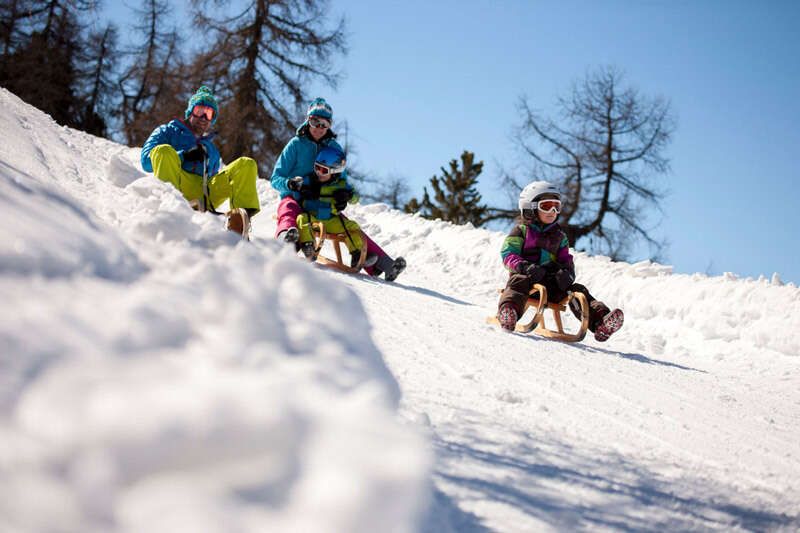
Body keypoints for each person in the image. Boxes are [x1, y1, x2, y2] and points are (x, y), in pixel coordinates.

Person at [270, 97, 406, 281]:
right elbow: (275, 178)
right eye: (314, 121)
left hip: (321, 201)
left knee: (347, 225)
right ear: (307, 120)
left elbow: (341, 178)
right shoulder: (296, 144)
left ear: (329, 125)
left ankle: (384, 264)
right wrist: (289, 184)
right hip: (296, 196)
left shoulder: (333, 147)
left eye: (324, 123)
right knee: (289, 210)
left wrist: (342, 195)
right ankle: (286, 239)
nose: (318, 127)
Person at [497, 181, 624, 341]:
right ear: (531, 208)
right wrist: (524, 266)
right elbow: (508, 254)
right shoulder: (522, 231)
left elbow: (566, 260)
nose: (552, 211)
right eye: (547, 206)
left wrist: (567, 274)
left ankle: (601, 322)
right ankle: (509, 312)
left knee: (578, 291)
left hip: (552, 285)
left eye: (556, 206)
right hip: (528, 281)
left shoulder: (560, 237)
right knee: (518, 281)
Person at [140, 86, 260, 236]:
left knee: (246, 164)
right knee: (162, 150)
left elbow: (213, 178)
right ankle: (170, 212)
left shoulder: (211, 149)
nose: (203, 117)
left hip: (204, 195)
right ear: (191, 111)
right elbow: (146, 161)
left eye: (209, 114)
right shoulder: (167, 131)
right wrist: (184, 155)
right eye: (200, 111)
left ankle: (240, 223)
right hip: (177, 184)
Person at [291, 146, 366, 264]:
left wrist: (349, 196)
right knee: (301, 219)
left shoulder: (341, 185)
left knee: (352, 227)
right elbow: (296, 189)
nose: (319, 172)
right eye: (317, 168)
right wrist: (297, 188)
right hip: (313, 218)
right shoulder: (309, 180)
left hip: (331, 220)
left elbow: (356, 198)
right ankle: (308, 246)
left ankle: (356, 253)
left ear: (335, 172)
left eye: (324, 170)